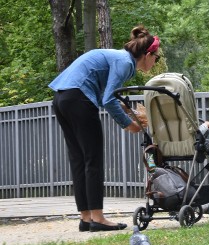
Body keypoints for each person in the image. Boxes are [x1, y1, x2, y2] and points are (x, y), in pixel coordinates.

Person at [49, 25, 161, 232]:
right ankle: (98, 218)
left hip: (62, 98)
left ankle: (86, 218)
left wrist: (128, 112)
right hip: (79, 99)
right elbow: (108, 99)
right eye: (156, 57)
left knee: (79, 160)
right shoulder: (126, 63)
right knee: (93, 160)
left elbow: (104, 96)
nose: (156, 62)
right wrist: (129, 124)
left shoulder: (117, 57)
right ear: (147, 55)